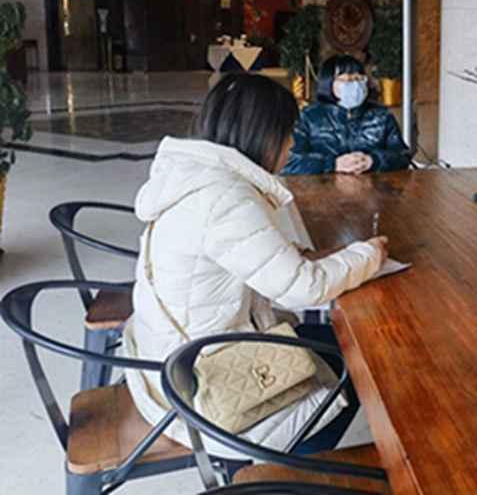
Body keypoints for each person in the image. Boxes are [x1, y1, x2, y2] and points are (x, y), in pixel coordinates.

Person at [124, 73, 389, 454]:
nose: (292, 143)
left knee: (338, 342)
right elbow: (304, 289)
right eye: (288, 132)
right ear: (265, 134)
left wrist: (306, 256)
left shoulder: (197, 177)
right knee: (367, 357)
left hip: (169, 359)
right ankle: (284, 466)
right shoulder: (224, 197)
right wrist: (370, 254)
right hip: (202, 388)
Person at [282, 54, 411, 176]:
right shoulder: (309, 117)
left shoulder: (381, 116)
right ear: (328, 83)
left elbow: (403, 156)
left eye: (359, 79)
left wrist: (373, 160)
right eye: (346, 80)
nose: (355, 85)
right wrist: (333, 164)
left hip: (373, 188)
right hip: (322, 188)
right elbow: (289, 162)